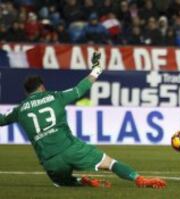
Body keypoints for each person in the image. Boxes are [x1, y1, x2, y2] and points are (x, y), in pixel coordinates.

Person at [0, 52, 166, 189]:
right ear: (42, 87)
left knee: (60, 182)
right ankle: (139, 179)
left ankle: (82, 182)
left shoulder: (20, 110)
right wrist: (96, 70)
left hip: (50, 161)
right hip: (71, 149)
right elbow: (81, 88)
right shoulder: (54, 96)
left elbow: (1, 120)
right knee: (110, 163)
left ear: (26, 93)